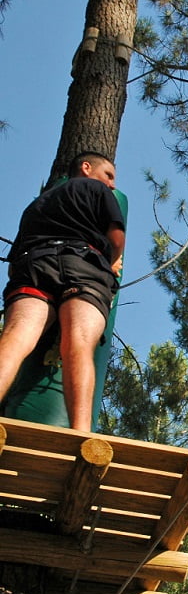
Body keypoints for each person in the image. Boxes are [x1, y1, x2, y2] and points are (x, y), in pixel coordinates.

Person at [0, 151, 126, 431]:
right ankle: (80, 435)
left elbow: (13, 263)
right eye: (109, 175)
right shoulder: (96, 189)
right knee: (78, 342)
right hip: (82, 263)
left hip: (33, 263)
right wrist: (113, 259)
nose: (112, 185)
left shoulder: (36, 204)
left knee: (17, 337)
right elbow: (116, 237)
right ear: (86, 168)